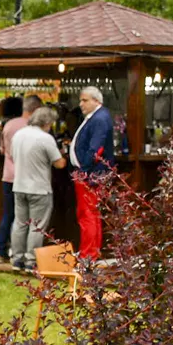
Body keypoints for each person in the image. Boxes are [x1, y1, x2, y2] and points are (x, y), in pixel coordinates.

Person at [10, 107, 67, 272]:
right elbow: (59, 163)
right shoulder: (45, 138)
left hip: (19, 185)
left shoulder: (18, 135)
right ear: (47, 122)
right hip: (39, 188)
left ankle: (16, 259)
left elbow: (13, 156)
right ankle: (30, 261)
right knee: (37, 227)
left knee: (20, 224)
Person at [68, 85, 115, 259]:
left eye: (85, 100)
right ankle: (91, 251)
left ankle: (89, 254)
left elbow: (96, 149)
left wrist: (84, 169)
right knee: (91, 214)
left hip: (90, 174)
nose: (81, 104)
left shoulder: (99, 119)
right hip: (90, 173)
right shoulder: (96, 117)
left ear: (96, 101)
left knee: (87, 215)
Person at [0, 95, 39, 262]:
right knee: (26, 219)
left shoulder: (8, 125)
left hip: (8, 175)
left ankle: (0, 251)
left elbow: (3, 149)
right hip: (26, 176)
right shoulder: (33, 127)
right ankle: (22, 253)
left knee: (8, 215)